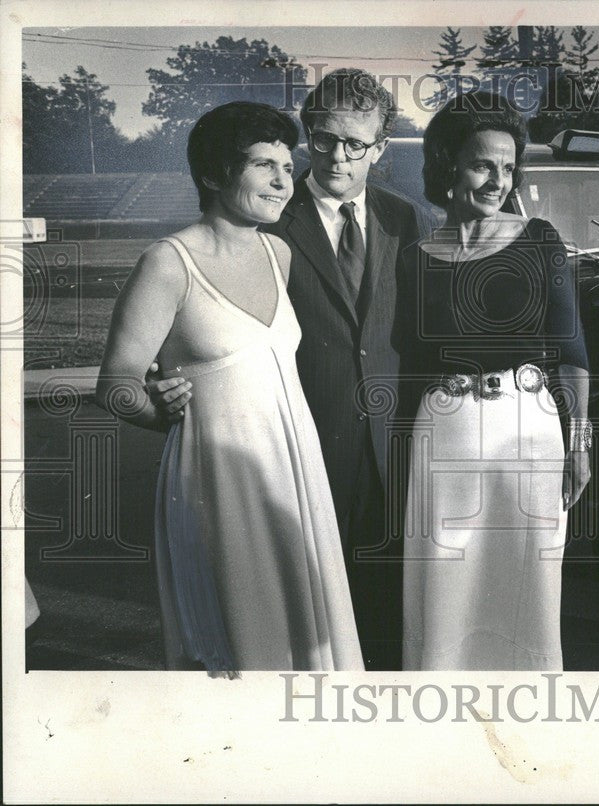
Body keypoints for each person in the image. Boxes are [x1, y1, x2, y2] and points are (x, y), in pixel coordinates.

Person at [151, 70, 421, 671]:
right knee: (293, 626)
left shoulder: (407, 221)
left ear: (380, 148)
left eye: (357, 143)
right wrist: (161, 380)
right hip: (291, 449)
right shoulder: (265, 214)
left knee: (385, 616)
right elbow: (198, 319)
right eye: (323, 139)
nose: (338, 156)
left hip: (388, 446)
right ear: (306, 138)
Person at [97, 101, 363, 673]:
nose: (282, 179)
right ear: (215, 174)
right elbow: (116, 383)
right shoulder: (168, 262)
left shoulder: (281, 253)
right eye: (263, 165)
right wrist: (155, 408)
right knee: (239, 641)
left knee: (307, 642)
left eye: (288, 167)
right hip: (215, 480)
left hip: (294, 471)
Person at [402, 92, 592, 671]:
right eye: (484, 164)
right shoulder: (415, 255)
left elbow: (573, 352)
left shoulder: (540, 240)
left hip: (528, 432)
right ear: (448, 166)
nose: (498, 181)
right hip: (445, 433)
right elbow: (408, 359)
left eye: (509, 168)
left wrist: (580, 443)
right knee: (445, 581)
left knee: (528, 585)